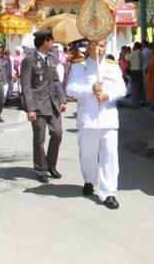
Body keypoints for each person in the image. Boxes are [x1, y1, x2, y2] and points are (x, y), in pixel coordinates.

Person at [66, 39, 126, 209]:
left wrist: (108, 95)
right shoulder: (79, 66)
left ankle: (109, 192)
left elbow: (122, 88)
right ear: (89, 46)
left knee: (110, 155)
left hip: (108, 118)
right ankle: (89, 180)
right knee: (88, 154)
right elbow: (70, 89)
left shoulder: (113, 66)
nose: (99, 49)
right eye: (95, 45)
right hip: (88, 119)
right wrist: (89, 89)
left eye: (103, 45)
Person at [21, 29, 67, 184]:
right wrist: (30, 109)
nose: (53, 43)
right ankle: (41, 169)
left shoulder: (51, 58)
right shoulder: (29, 61)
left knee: (57, 133)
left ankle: (51, 165)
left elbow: (56, 81)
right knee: (39, 139)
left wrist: (62, 99)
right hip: (38, 105)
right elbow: (26, 86)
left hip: (53, 103)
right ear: (45, 42)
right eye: (51, 40)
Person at [125, 42, 144, 106]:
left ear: (135, 46)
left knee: (135, 87)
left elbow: (126, 58)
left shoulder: (135, 53)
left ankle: (136, 101)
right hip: (140, 71)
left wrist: (127, 52)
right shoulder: (141, 53)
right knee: (140, 86)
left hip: (134, 71)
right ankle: (140, 100)